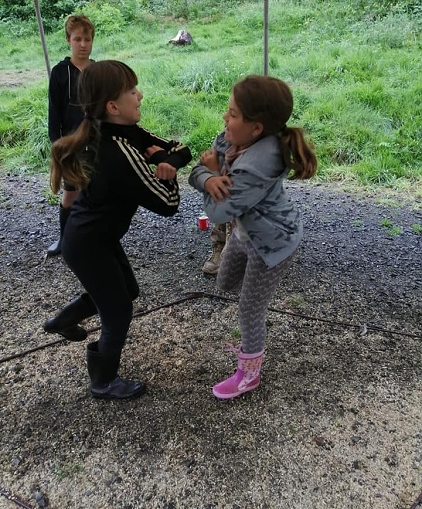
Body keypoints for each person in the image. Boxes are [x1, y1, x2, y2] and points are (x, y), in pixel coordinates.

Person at [44, 60, 192, 400]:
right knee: (118, 310)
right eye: (132, 91)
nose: (140, 96)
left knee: (127, 290)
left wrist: (166, 159)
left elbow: (179, 149)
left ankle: (62, 321)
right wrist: (166, 172)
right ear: (113, 106)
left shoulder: (122, 131)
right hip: (88, 245)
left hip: (92, 238)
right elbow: (167, 204)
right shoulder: (120, 154)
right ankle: (103, 381)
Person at [189, 74, 317, 400]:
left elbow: (218, 212)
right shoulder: (238, 138)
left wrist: (208, 175)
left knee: (249, 310)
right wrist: (209, 176)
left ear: (256, 128)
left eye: (232, 114)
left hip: (272, 245)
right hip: (246, 233)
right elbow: (213, 156)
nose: (224, 118)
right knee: (224, 283)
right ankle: (256, 303)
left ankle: (249, 375)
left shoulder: (256, 166)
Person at [46, 14, 95, 256]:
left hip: (96, 143)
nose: (83, 44)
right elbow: (54, 114)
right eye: (78, 39)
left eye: (87, 39)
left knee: (95, 193)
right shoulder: (59, 72)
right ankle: (64, 240)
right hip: (70, 145)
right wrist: (58, 146)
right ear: (68, 40)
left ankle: (93, 239)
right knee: (70, 195)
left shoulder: (98, 71)